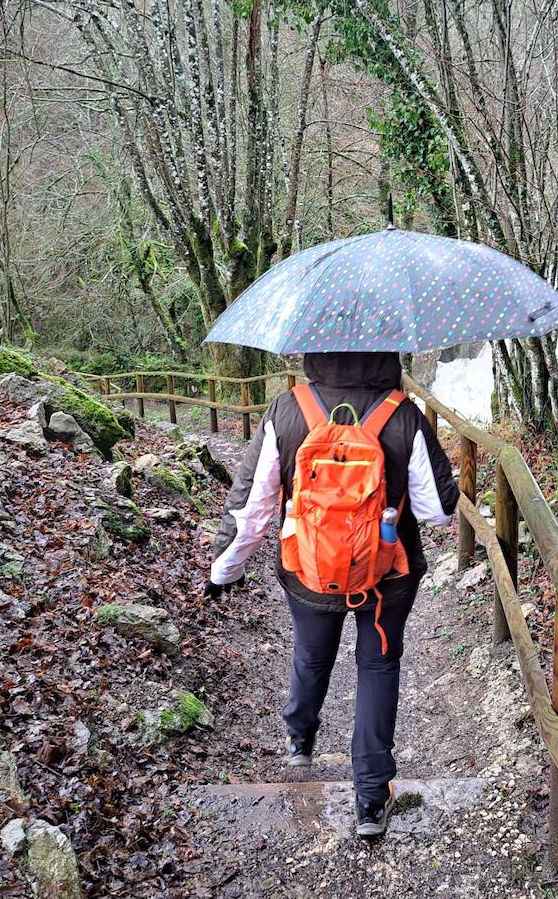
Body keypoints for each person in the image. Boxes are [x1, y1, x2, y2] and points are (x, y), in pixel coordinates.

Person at [202, 351, 459, 837]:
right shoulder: (403, 414)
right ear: (386, 351)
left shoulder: (288, 408)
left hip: (308, 566)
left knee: (311, 652)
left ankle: (299, 739)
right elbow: (437, 512)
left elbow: (253, 505)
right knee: (378, 666)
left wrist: (223, 570)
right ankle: (371, 799)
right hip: (387, 572)